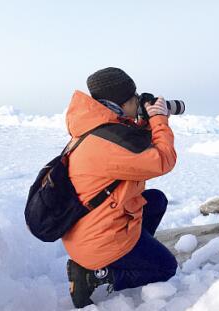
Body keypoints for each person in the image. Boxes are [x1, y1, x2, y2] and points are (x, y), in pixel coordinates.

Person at [62, 67, 178, 308]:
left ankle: (129, 256)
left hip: (86, 228)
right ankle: (96, 275)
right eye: (134, 97)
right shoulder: (106, 142)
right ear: (121, 102)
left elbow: (133, 150)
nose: (137, 100)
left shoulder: (96, 129)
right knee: (166, 267)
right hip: (96, 241)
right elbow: (162, 160)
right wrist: (158, 119)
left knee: (155, 200)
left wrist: (145, 123)